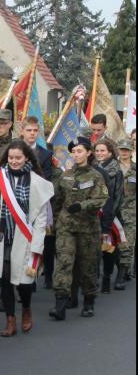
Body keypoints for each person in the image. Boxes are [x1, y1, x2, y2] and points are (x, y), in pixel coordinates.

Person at [0, 141, 53, 336]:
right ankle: (10, 320)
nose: (14, 161)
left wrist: (37, 244)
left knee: (23, 282)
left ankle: (27, 309)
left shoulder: (37, 182)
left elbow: (41, 217)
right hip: (4, 236)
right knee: (5, 280)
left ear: (26, 158)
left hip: (26, 238)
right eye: (11, 158)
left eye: (18, 158)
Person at [50, 137, 109, 320]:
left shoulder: (96, 176)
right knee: (63, 264)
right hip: (66, 227)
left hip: (88, 228)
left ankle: (89, 301)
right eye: (74, 151)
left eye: (80, 151)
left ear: (88, 153)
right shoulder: (65, 175)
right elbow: (57, 200)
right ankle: (60, 303)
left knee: (88, 266)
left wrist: (82, 205)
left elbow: (101, 199)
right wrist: (55, 220)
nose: (76, 155)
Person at [19, 116, 57, 288]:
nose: (32, 134)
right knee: (23, 241)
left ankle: (48, 274)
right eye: (29, 130)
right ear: (22, 131)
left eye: (35, 131)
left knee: (46, 241)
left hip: (40, 200)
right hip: (18, 200)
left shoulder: (46, 154)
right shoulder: (14, 150)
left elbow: (46, 178)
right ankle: (27, 279)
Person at [94, 139, 123, 294]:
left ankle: (106, 277)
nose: (99, 153)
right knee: (94, 249)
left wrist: (110, 214)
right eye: (97, 150)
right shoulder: (91, 167)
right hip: (94, 214)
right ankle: (94, 278)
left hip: (110, 214)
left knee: (109, 249)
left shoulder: (116, 171)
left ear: (110, 153)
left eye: (103, 150)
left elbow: (118, 195)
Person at [116, 139, 136, 286]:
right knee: (112, 246)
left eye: (127, 150)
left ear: (131, 151)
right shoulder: (112, 167)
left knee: (127, 244)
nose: (124, 152)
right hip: (113, 212)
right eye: (122, 149)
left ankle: (121, 275)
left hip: (130, 212)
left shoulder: (135, 169)